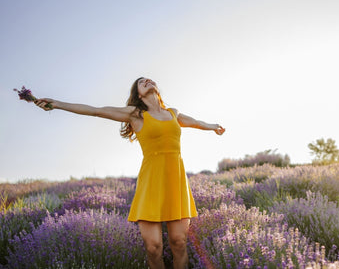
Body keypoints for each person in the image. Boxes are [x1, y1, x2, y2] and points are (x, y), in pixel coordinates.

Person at [34, 77, 225, 269]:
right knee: (153, 247)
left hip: (176, 182)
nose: (147, 81)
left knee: (179, 242)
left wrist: (213, 126)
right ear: (138, 94)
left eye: (149, 79)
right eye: (141, 82)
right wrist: (57, 104)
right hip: (151, 183)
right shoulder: (136, 114)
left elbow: (194, 122)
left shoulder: (172, 112)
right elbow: (96, 110)